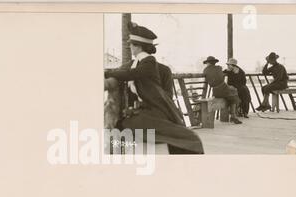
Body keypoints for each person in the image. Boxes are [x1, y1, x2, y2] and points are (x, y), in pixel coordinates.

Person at [104, 22, 204, 154]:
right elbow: (127, 72)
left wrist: (106, 73)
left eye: (131, 44)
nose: (130, 47)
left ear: (138, 47)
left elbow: (132, 74)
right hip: (143, 111)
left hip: (155, 110)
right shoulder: (136, 63)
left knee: (187, 138)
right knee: (130, 125)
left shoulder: (148, 62)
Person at [203, 56, 242, 124]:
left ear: (208, 63)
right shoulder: (218, 68)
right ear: (214, 62)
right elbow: (221, 77)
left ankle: (233, 115)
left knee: (233, 92)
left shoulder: (205, 70)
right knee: (234, 92)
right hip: (222, 88)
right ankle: (233, 116)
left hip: (215, 91)